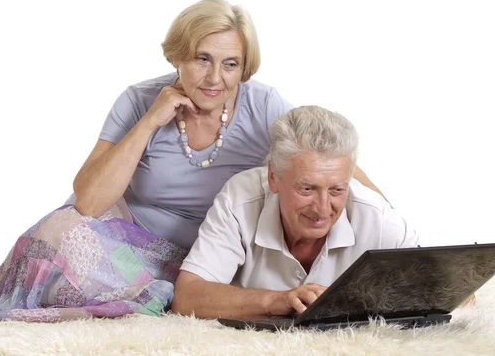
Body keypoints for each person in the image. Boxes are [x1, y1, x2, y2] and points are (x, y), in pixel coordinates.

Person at [0, 0, 384, 322]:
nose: (215, 77)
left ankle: (157, 296)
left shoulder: (264, 106)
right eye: (201, 58)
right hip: (128, 244)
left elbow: (327, 164)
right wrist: (150, 122)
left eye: (231, 63)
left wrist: (397, 229)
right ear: (177, 55)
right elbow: (89, 202)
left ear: (245, 66)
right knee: (53, 237)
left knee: (93, 274)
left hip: (214, 253)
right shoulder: (139, 100)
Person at [171, 105, 419, 320]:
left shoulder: (376, 214)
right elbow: (187, 296)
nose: (322, 209)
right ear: (273, 178)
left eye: (336, 190)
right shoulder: (240, 198)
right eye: (307, 188)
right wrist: (277, 301)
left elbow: (440, 286)